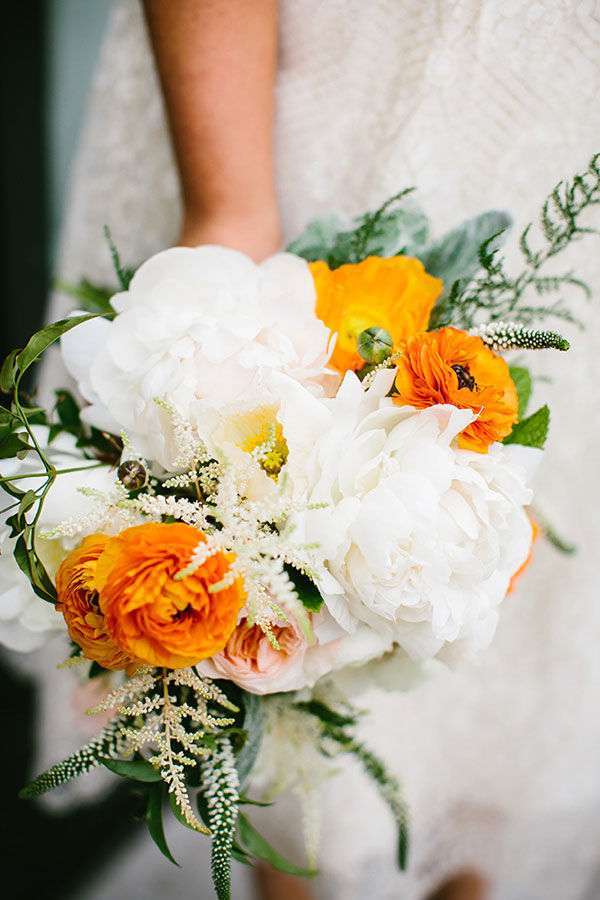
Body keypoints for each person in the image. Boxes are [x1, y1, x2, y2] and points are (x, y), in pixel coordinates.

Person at [40, 2, 600, 899]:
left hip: (564, 138)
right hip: (314, 111)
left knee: (506, 660)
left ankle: (468, 872)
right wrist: (228, 208)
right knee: (284, 673)